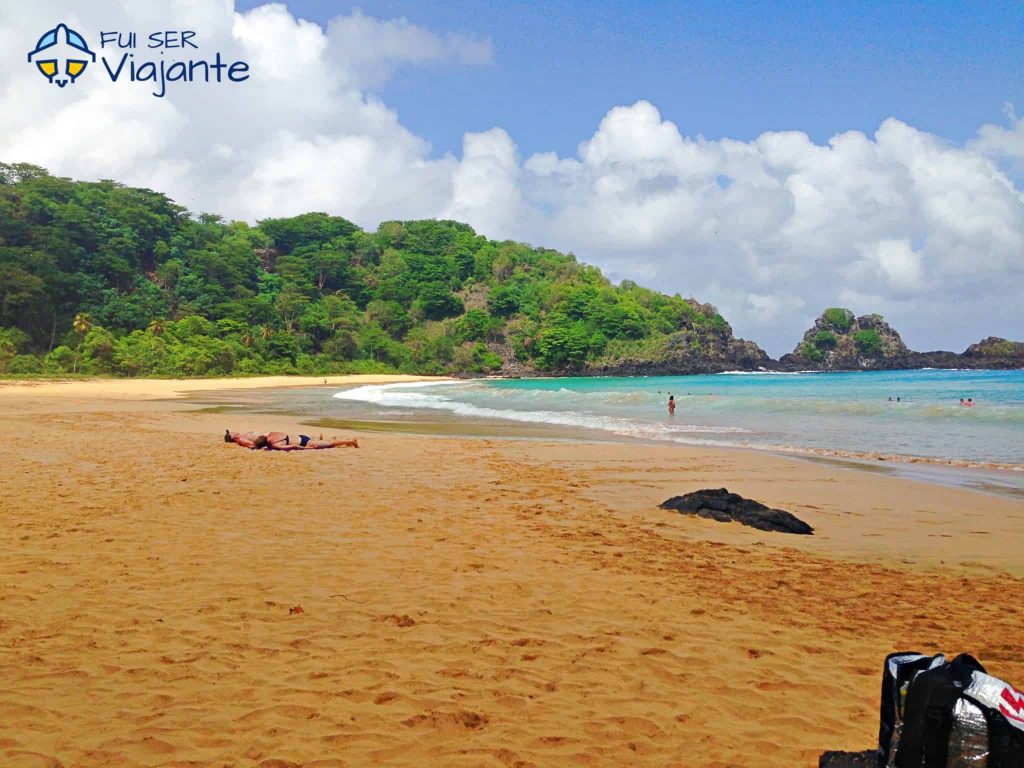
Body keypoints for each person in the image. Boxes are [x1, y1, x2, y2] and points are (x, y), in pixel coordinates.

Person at [225, 429, 358, 450]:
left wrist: (306, 449)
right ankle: (347, 441)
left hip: (304, 442)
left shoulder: (275, 445)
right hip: (300, 436)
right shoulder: (271, 434)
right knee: (326, 442)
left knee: (330, 445)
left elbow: (292, 447)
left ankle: (351, 441)